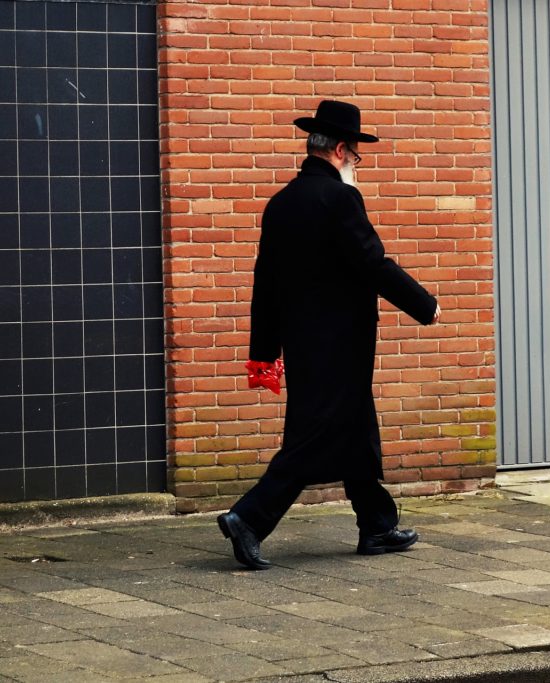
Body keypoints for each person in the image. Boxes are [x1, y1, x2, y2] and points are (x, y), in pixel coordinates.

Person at [217, 100, 440, 570]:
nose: (356, 164)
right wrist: (425, 305)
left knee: (356, 429)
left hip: (304, 345)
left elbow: (265, 283)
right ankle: (248, 518)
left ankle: (376, 525)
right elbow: (372, 263)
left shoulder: (280, 203)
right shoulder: (339, 199)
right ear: (340, 150)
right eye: (356, 155)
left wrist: (264, 351)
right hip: (341, 344)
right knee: (312, 439)